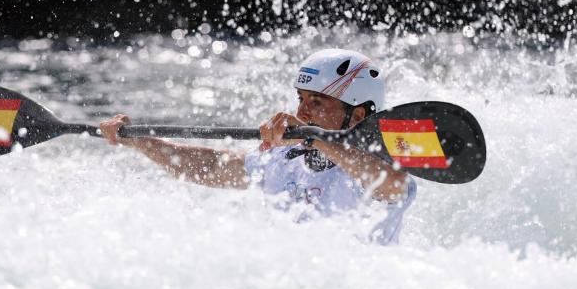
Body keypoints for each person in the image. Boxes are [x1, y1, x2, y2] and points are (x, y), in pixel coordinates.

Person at [100, 48, 416, 244]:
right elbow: (209, 167)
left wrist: (314, 136)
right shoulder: (285, 157)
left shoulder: (383, 163)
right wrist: (141, 142)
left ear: (357, 114)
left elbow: (392, 186)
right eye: (301, 99)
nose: (303, 112)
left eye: (317, 102)